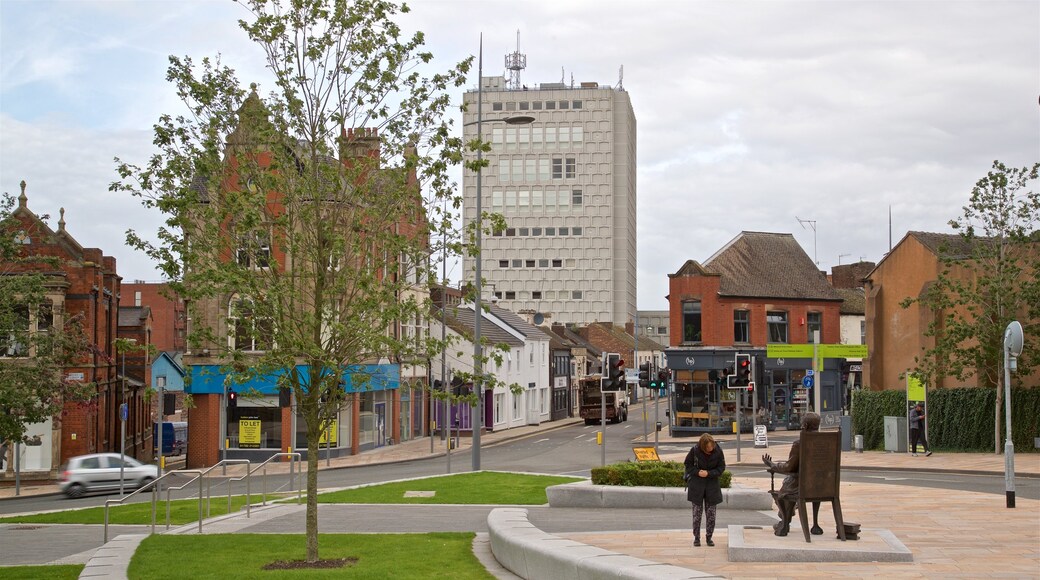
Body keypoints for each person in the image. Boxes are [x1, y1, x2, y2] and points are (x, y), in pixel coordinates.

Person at [762, 412, 823, 537]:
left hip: (803, 486)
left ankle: (784, 523)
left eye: (802, 423)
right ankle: (815, 525)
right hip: (822, 487)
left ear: (805, 425)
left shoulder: (799, 443)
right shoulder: (828, 442)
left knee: (783, 492)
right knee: (789, 483)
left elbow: (789, 467)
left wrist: (772, 465)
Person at [684, 433, 726, 547]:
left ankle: (709, 537)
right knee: (697, 514)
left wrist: (709, 473)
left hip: (712, 486)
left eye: (711, 446)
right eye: (707, 447)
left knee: (711, 514)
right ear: (702, 446)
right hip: (697, 485)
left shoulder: (718, 451)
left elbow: (721, 468)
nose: (710, 449)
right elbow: (688, 465)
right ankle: (696, 538)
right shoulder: (695, 450)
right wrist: (698, 472)